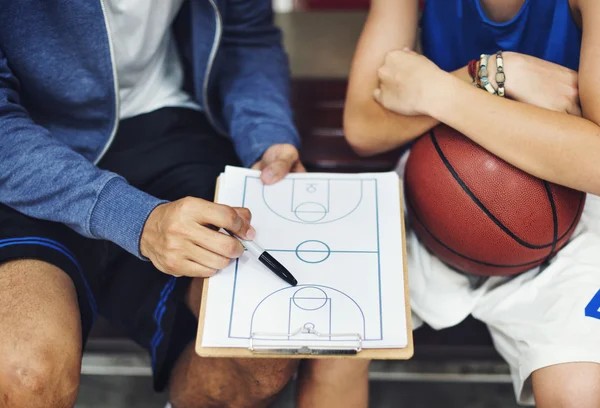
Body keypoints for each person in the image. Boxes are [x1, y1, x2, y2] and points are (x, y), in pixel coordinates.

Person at [0, 1, 365, 407]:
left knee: (262, 344)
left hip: (172, 129)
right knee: (21, 374)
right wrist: (135, 219)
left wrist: (267, 136)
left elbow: (244, 37)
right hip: (27, 148)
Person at [344, 0, 600, 406]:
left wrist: (440, 92)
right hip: (434, 195)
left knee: (580, 390)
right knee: (335, 339)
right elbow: (362, 126)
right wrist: (493, 73)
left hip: (570, 204)